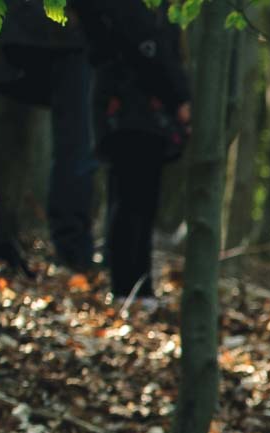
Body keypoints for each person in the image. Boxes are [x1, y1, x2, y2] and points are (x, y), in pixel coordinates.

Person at [70, 0, 190, 302]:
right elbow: (148, 49)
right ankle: (126, 287)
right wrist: (179, 97)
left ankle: (138, 285)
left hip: (137, 113)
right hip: (130, 111)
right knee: (130, 202)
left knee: (140, 202)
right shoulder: (131, 10)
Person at [0, 0, 96, 271]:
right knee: (76, 144)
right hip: (64, 31)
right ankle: (71, 250)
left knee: (70, 143)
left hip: (26, 29)